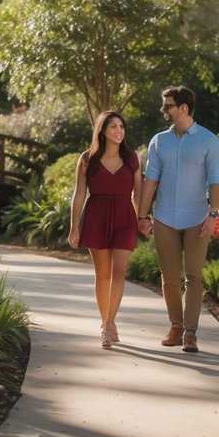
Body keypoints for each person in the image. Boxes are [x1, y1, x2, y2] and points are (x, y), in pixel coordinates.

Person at [136, 86, 219, 353]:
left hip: (197, 218)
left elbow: (215, 180)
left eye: (168, 106)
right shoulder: (159, 141)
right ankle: (176, 325)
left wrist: (213, 214)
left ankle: (191, 333)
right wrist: (142, 215)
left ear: (183, 108)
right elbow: (150, 180)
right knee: (169, 278)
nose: (163, 110)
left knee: (193, 277)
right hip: (164, 217)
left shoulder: (209, 141)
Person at [69, 110, 142, 349]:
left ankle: (110, 322)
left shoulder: (132, 159)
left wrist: (141, 218)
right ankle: (105, 324)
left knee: (119, 272)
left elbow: (139, 194)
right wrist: (74, 227)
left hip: (124, 218)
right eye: (113, 126)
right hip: (96, 216)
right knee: (103, 274)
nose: (119, 130)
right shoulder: (87, 159)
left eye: (122, 126)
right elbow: (79, 194)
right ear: (102, 130)